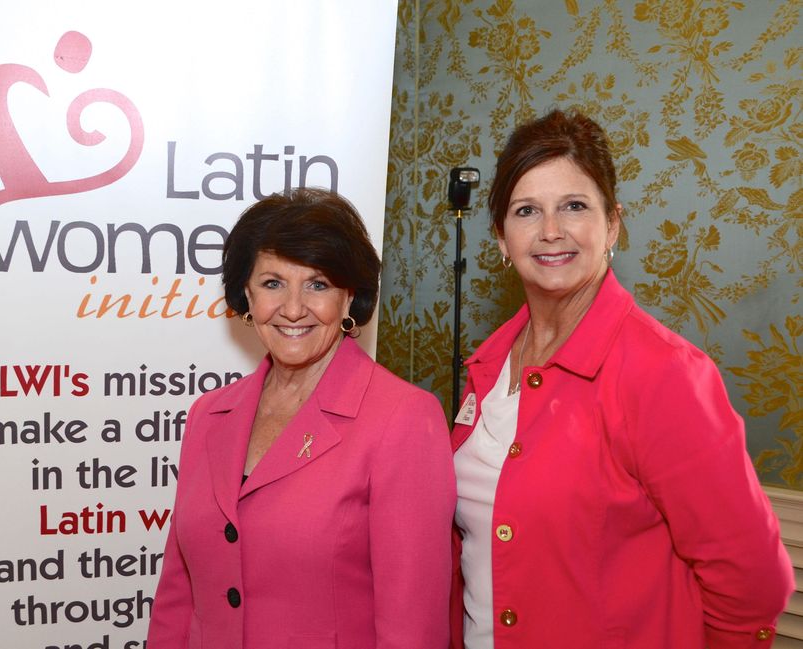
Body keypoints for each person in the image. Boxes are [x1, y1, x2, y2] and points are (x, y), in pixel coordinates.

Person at [450, 109, 794, 648]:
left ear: (612, 224)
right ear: (501, 237)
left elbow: (752, 581)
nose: (551, 231)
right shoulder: (487, 366)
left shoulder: (664, 375)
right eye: (526, 211)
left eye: (574, 206)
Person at [148, 188, 456, 649]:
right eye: (272, 283)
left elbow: (412, 627)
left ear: (350, 296)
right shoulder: (209, 415)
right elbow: (178, 591)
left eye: (317, 284)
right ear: (246, 295)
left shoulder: (404, 419)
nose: (293, 309)